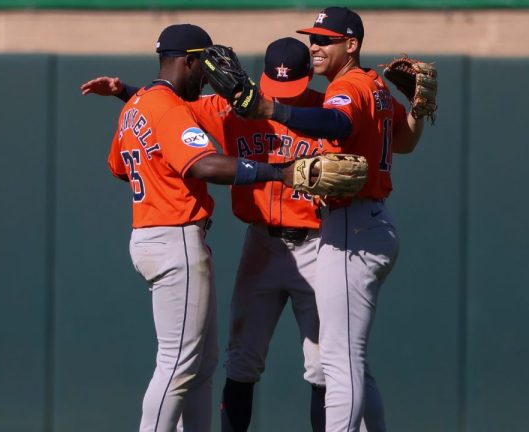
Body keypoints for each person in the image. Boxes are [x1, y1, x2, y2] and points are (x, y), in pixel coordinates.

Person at [82, 37, 388, 432]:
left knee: (325, 368)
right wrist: (126, 92)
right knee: (239, 360)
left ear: (307, 79)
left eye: (290, 89)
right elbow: (169, 109)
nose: (279, 97)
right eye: (273, 89)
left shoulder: (323, 114)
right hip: (261, 243)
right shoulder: (226, 109)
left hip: (316, 243)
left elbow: (365, 131)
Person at [98, 24, 305, 432]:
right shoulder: (168, 108)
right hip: (175, 238)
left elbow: (121, 167)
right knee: (178, 364)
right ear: (188, 61)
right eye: (204, 64)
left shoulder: (137, 105)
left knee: (200, 366)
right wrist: (278, 173)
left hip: (150, 233)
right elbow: (205, 164)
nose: (209, 75)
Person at [232, 6, 429, 432]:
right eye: (313, 38)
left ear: (351, 44)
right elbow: (406, 142)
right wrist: (416, 108)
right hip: (368, 223)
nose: (315, 46)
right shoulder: (375, 85)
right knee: (352, 359)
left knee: (339, 362)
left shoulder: (350, 87)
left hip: (351, 228)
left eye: (326, 39)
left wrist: (273, 109)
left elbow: (336, 121)